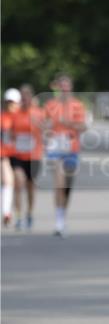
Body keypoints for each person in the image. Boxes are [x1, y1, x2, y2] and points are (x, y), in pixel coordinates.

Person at [43, 74, 87, 236]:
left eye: (67, 87)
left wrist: (68, 123)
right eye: (62, 87)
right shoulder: (50, 105)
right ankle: (59, 221)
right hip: (55, 149)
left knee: (67, 186)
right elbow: (44, 125)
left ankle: (62, 214)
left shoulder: (77, 105)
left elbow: (83, 127)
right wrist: (47, 127)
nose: (64, 90)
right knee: (59, 184)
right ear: (57, 88)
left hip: (71, 149)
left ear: (71, 89)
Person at [10, 84, 43, 230]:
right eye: (22, 98)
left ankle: (29, 213)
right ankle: (18, 217)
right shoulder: (14, 113)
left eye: (27, 97)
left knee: (30, 187)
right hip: (17, 154)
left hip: (34, 155)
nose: (25, 100)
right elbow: (7, 131)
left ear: (31, 98)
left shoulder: (38, 113)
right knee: (18, 182)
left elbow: (47, 130)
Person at [1, 88, 21, 227]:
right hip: (4, 154)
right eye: (9, 102)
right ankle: (6, 212)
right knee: (7, 181)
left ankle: (18, 214)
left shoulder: (23, 116)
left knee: (18, 183)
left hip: (20, 154)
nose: (11, 105)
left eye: (13, 102)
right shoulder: (2, 117)